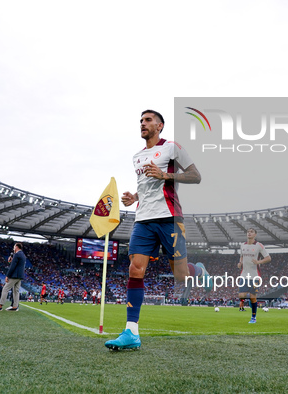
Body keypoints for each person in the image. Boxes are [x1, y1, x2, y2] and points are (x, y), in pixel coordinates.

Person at [105, 109, 206, 351]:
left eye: (148, 120)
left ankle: (199, 271)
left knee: (181, 275)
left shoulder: (172, 147)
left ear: (159, 126)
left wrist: (165, 174)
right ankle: (131, 331)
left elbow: (196, 176)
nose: (143, 123)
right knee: (135, 269)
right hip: (143, 219)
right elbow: (148, 185)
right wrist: (134, 197)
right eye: (141, 120)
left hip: (169, 218)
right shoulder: (137, 157)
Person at [237, 228, 271, 324]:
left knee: (253, 297)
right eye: (248, 231)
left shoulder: (259, 245)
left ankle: (253, 317)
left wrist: (258, 262)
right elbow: (242, 256)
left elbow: (268, 258)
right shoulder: (242, 245)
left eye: (251, 232)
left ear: (255, 234)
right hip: (244, 274)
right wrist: (240, 262)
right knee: (241, 295)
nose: (249, 233)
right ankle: (249, 300)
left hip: (255, 275)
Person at [0, 243, 26, 312]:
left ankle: (0, 306)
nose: (13, 249)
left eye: (14, 247)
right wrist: (11, 261)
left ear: (16, 247)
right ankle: (15, 306)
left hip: (14, 275)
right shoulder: (23, 255)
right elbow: (18, 264)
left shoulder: (17, 254)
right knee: (16, 291)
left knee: (5, 289)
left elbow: (13, 266)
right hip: (20, 276)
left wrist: (7, 276)